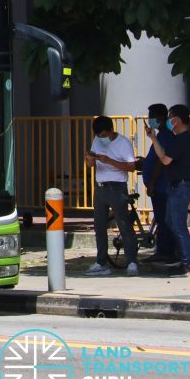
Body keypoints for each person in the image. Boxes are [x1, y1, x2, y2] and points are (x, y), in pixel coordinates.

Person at [83, 116, 139, 276]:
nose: (102, 139)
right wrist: (89, 159)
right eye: (99, 136)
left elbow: (131, 167)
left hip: (117, 187)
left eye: (104, 135)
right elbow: (91, 165)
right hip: (100, 187)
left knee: (124, 225)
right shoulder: (97, 140)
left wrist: (109, 161)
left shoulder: (123, 142)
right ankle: (101, 262)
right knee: (99, 226)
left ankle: (132, 262)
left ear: (111, 131)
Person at [146, 104, 190, 277]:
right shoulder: (180, 139)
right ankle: (183, 258)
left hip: (181, 186)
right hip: (177, 186)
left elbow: (165, 160)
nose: (167, 121)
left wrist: (153, 140)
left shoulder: (182, 139)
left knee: (178, 224)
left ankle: (188, 264)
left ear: (177, 120)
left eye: (170, 118)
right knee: (171, 221)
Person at [140, 104, 176, 264]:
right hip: (160, 186)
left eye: (151, 116)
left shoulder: (165, 136)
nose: (150, 120)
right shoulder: (160, 136)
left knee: (163, 220)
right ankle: (164, 251)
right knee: (162, 219)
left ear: (160, 118)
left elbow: (161, 162)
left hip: (161, 187)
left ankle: (165, 252)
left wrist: (152, 183)